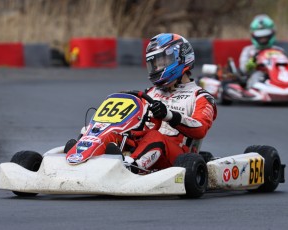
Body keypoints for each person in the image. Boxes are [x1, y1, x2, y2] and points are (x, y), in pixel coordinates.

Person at [66, 33, 217, 173]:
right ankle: (80, 158)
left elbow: (200, 129)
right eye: (154, 63)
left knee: (154, 136)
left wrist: (169, 116)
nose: (157, 67)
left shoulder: (200, 96)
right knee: (110, 131)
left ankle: (129, 168)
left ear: (180, 58)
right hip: (143, 144)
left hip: (177, 157)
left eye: (161, 61)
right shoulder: (150, 93)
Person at [239, 14, 284, 88]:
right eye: (260, 37)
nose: (263, 39)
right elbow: (243, 70)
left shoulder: (278, 50)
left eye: (265, 36)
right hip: (256, 79)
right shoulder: (248, 50)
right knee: (258, 74)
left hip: (276, 78)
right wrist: (252, 62)